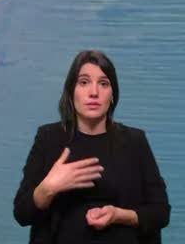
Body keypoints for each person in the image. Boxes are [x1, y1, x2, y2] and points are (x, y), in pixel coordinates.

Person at [13, 50, 171, 244]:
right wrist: (48, 188)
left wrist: (119, 215)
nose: (94, 92)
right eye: (84, 82)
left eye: (103, 84)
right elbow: (21, 214)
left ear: (112, 94)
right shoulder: (48, 138)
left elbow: (161, 213)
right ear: (71, 91)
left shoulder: (135, 141)